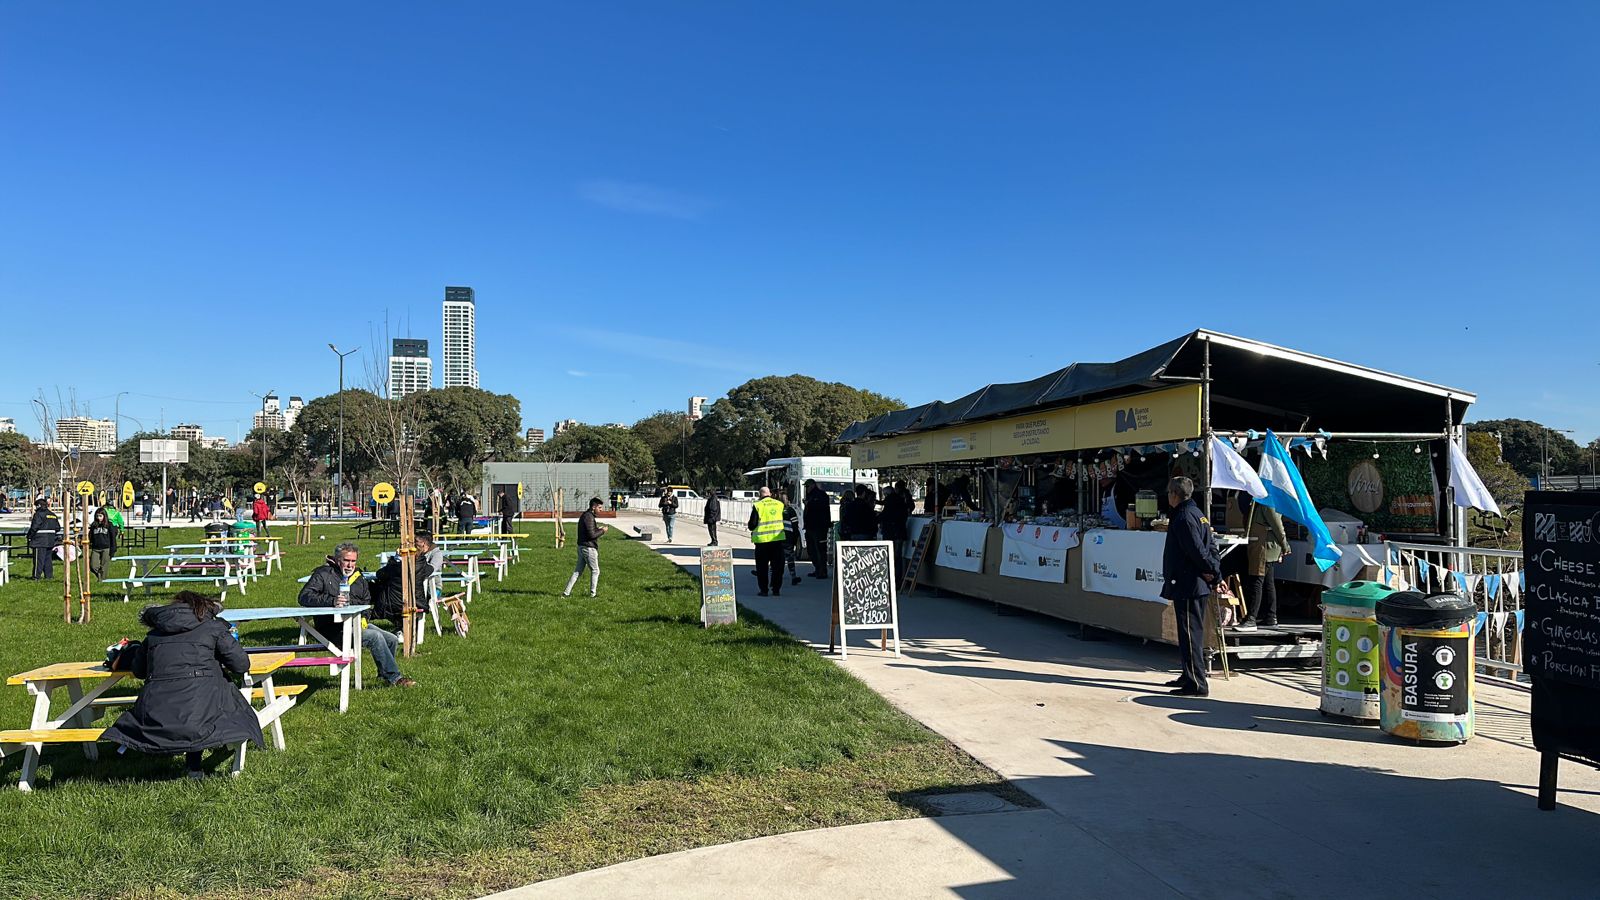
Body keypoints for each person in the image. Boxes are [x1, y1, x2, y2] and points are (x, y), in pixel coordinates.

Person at [103, 592, 265, 778]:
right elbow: (241, 665)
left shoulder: (154, 635)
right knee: (207, 695)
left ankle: (191, 764)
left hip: (156, 717)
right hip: (202, 713)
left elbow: (139, 671)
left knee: (195, 700)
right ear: (204, 608)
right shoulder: (213, 628)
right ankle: (200, 764)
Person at [298, 541, 416, 688]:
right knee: (375, 637)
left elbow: (366, 601)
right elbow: (304, 596)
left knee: (391, 639)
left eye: (353, 561)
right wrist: (331, 601)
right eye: (346, 561)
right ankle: (395, 678)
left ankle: (383, 675)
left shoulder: (358, 577)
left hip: (355, 623)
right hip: (332, 630)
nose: (350, 565)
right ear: (336, 560)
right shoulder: (323, 573)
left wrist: (364, 619)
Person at [1161, 476, 1221, 697]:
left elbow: (1197, 551)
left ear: (1175, 494)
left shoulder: (1185, 517)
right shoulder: (1197, 514)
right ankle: (1188, 674)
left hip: (1189, 583)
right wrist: (1215, 570)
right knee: (1187, 633)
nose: (1168, 497)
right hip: (1190, 583)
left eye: (1169, 493)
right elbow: (1211, 546)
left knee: (1190, 634)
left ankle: (1197, 683)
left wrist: (1214, 573)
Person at [1238, 500, 1288, 631]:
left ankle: (1252, 618)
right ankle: (1271, 617)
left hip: (1264, 547)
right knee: (1267, 583)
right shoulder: (1264, 502)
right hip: (1264, 546)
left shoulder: (1268, 502)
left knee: (1257, 581)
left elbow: (1278, 526)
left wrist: (1285, 546)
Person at [563, 497, 608, 598]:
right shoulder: (589, 517)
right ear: (594, 507)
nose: (601, 510)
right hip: (588, 548)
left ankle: (566, 593)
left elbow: (589, 531)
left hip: (582, 547)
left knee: (577, 571)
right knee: (595, 571)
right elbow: (591, 535)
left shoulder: (586, 515)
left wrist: (597, 529)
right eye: (600, 507)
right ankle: (593, 594)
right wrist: (603, 531)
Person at [747, 487, 787, 596]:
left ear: (760, 495)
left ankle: (764, 590)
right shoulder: (779, 505)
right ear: (770, 494)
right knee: (777, 568)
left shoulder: (758, 506)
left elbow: (752, 524)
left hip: (762, 543)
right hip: (777, 541)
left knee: (762, 568)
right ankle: (776, 589)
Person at [879, 480, 912, 578]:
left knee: (890, 555)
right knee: (898, 556)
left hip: (890, 531)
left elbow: (885, 514)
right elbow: (906, 512)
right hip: (900, 530)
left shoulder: (889, 501)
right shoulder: (901, 500)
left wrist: (878, 518)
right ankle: (898, 578)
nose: (884, 496)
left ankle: (890, 577)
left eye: (885, 494)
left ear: (887, 493)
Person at [28, 498, 63, 579]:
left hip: (39, 541)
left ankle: (36, 576)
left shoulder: (38, 514)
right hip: (50, 540)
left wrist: (30, 536)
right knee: (48, 560)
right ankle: (49, 576)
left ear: (38, 506)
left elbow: (34, 527)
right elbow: (58, 527)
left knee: (38, 560)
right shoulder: (52, 514)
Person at [802, 479, 831, 579]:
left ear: (813, 485)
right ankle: (817, 568)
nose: (806, 488)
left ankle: (822, 571)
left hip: (819, 527)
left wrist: (809, 504)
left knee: (820, 550)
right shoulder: (810, 496)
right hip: (810, 526)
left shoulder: (820, 495)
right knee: (811, 550)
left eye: (808, 486)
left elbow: (821, 510)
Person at [88, 508, 118, 579]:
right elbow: (91, 535)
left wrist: (113, 550)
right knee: (93, 566)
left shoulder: (109, 525)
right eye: (97, 516)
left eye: (100, 516)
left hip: (106, 548)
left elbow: (113, 537)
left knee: (104, 566)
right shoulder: (94, 525)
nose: (99, 518)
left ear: (104, 516)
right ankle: (99, 574)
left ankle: (102, 580)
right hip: (95, 548)